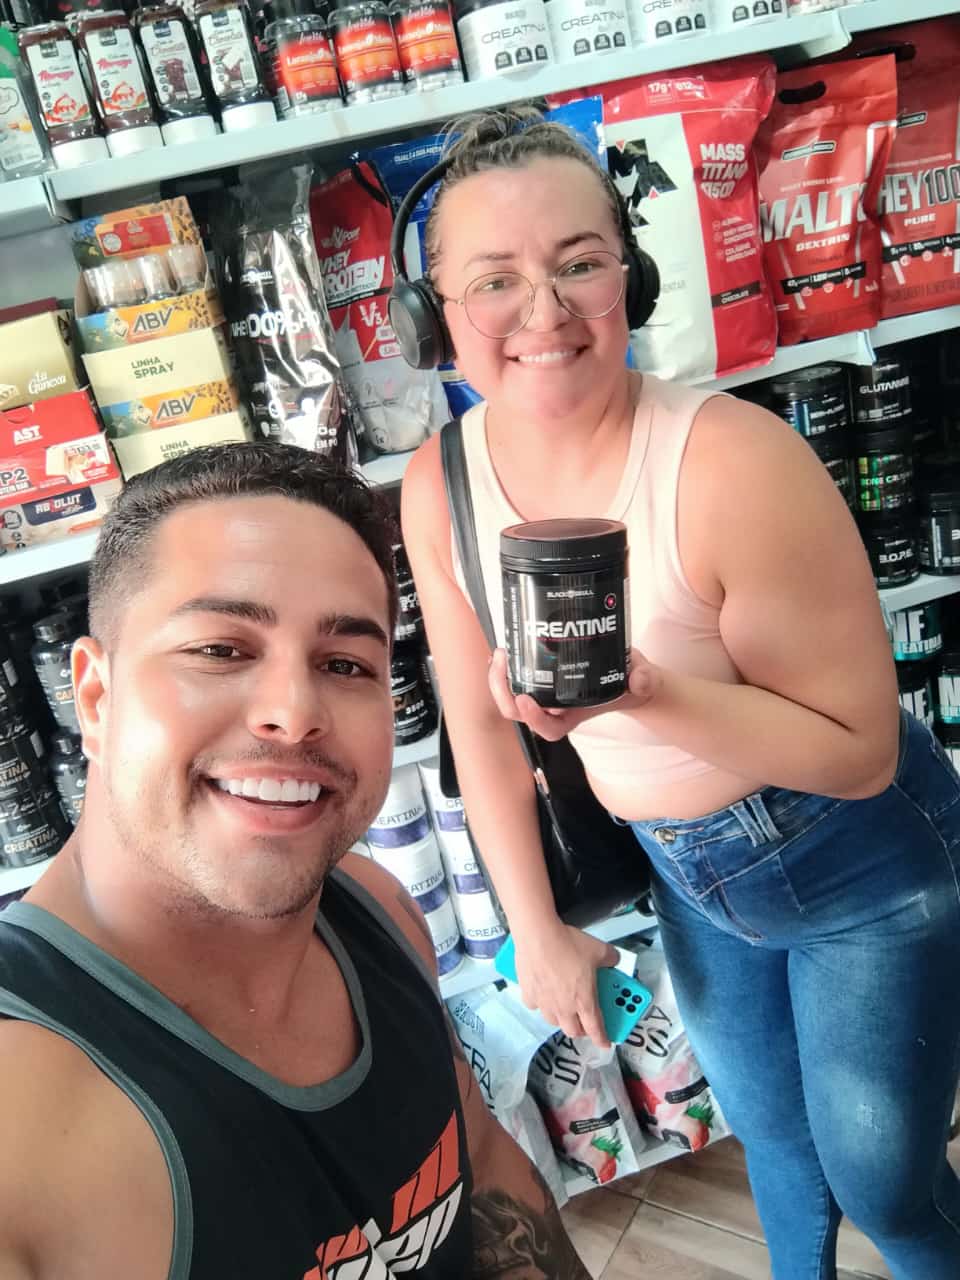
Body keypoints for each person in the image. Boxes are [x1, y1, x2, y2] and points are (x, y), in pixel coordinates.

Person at [400, 108, 960, 1280]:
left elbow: (859, 750)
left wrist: (639, 693)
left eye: (579, 263)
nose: (545, 312)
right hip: (686, 873)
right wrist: (534, 929)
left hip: (856, 858)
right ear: (435, 315)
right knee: (776, 1141)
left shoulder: (731, 462)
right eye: (494, 280)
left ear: (631, 276)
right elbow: (479, 727)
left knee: (886, 1182)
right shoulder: (439, 482)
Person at [0, 442, 591, 1280]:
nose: (294, 711)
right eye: (220, 650)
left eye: (346, 664)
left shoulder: (380, 913)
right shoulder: (23, 1128)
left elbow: (487, 1176)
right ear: (94, 698)